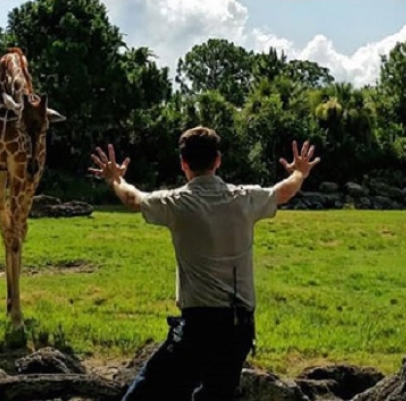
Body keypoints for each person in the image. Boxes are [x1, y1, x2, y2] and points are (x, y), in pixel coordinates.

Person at [88, 126, 320, 401]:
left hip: (198, 327)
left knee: (144, 395)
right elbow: (283, 192)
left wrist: (114, 178)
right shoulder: (244, 198)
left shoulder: (176, 203)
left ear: (183, 163)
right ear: (218, 160)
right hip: (239, 328)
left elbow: (132, 198)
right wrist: (299, 172)